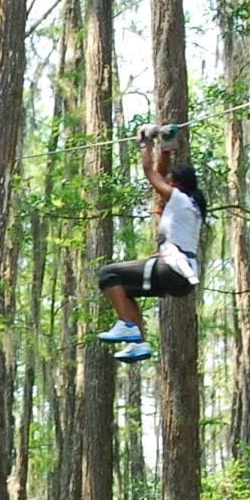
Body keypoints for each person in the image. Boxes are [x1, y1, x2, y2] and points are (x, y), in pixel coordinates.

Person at [93, 124, 204, 365]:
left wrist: (144, 143)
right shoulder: (189, 207)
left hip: (172, 269)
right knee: (125, 289)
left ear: (177, 185)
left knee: (108, 273)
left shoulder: (180, 200)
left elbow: (149, 172)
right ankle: (138, 343)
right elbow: (162, 176)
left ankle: (129, 327)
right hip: (182, 279)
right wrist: (164, 151)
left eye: (170, 182)